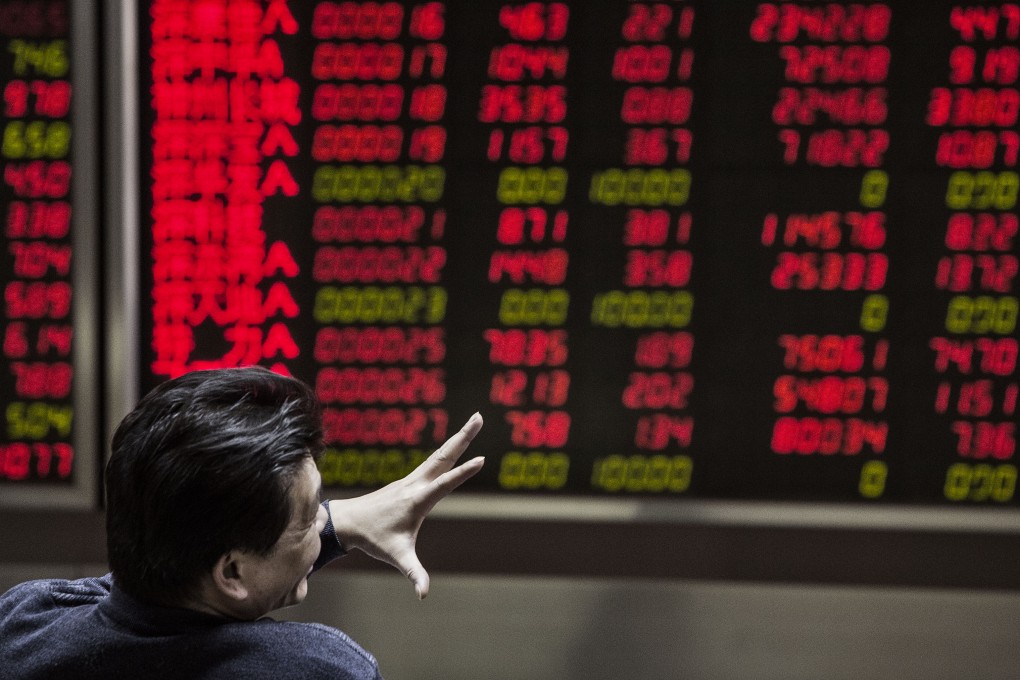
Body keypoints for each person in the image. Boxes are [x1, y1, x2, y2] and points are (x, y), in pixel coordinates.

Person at [0, 367, 484, 679]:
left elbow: (131, 591)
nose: (324, 518)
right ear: (231, 573)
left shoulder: (24, 624)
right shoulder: (319, 670)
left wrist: (337, 524)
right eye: (309, 515)